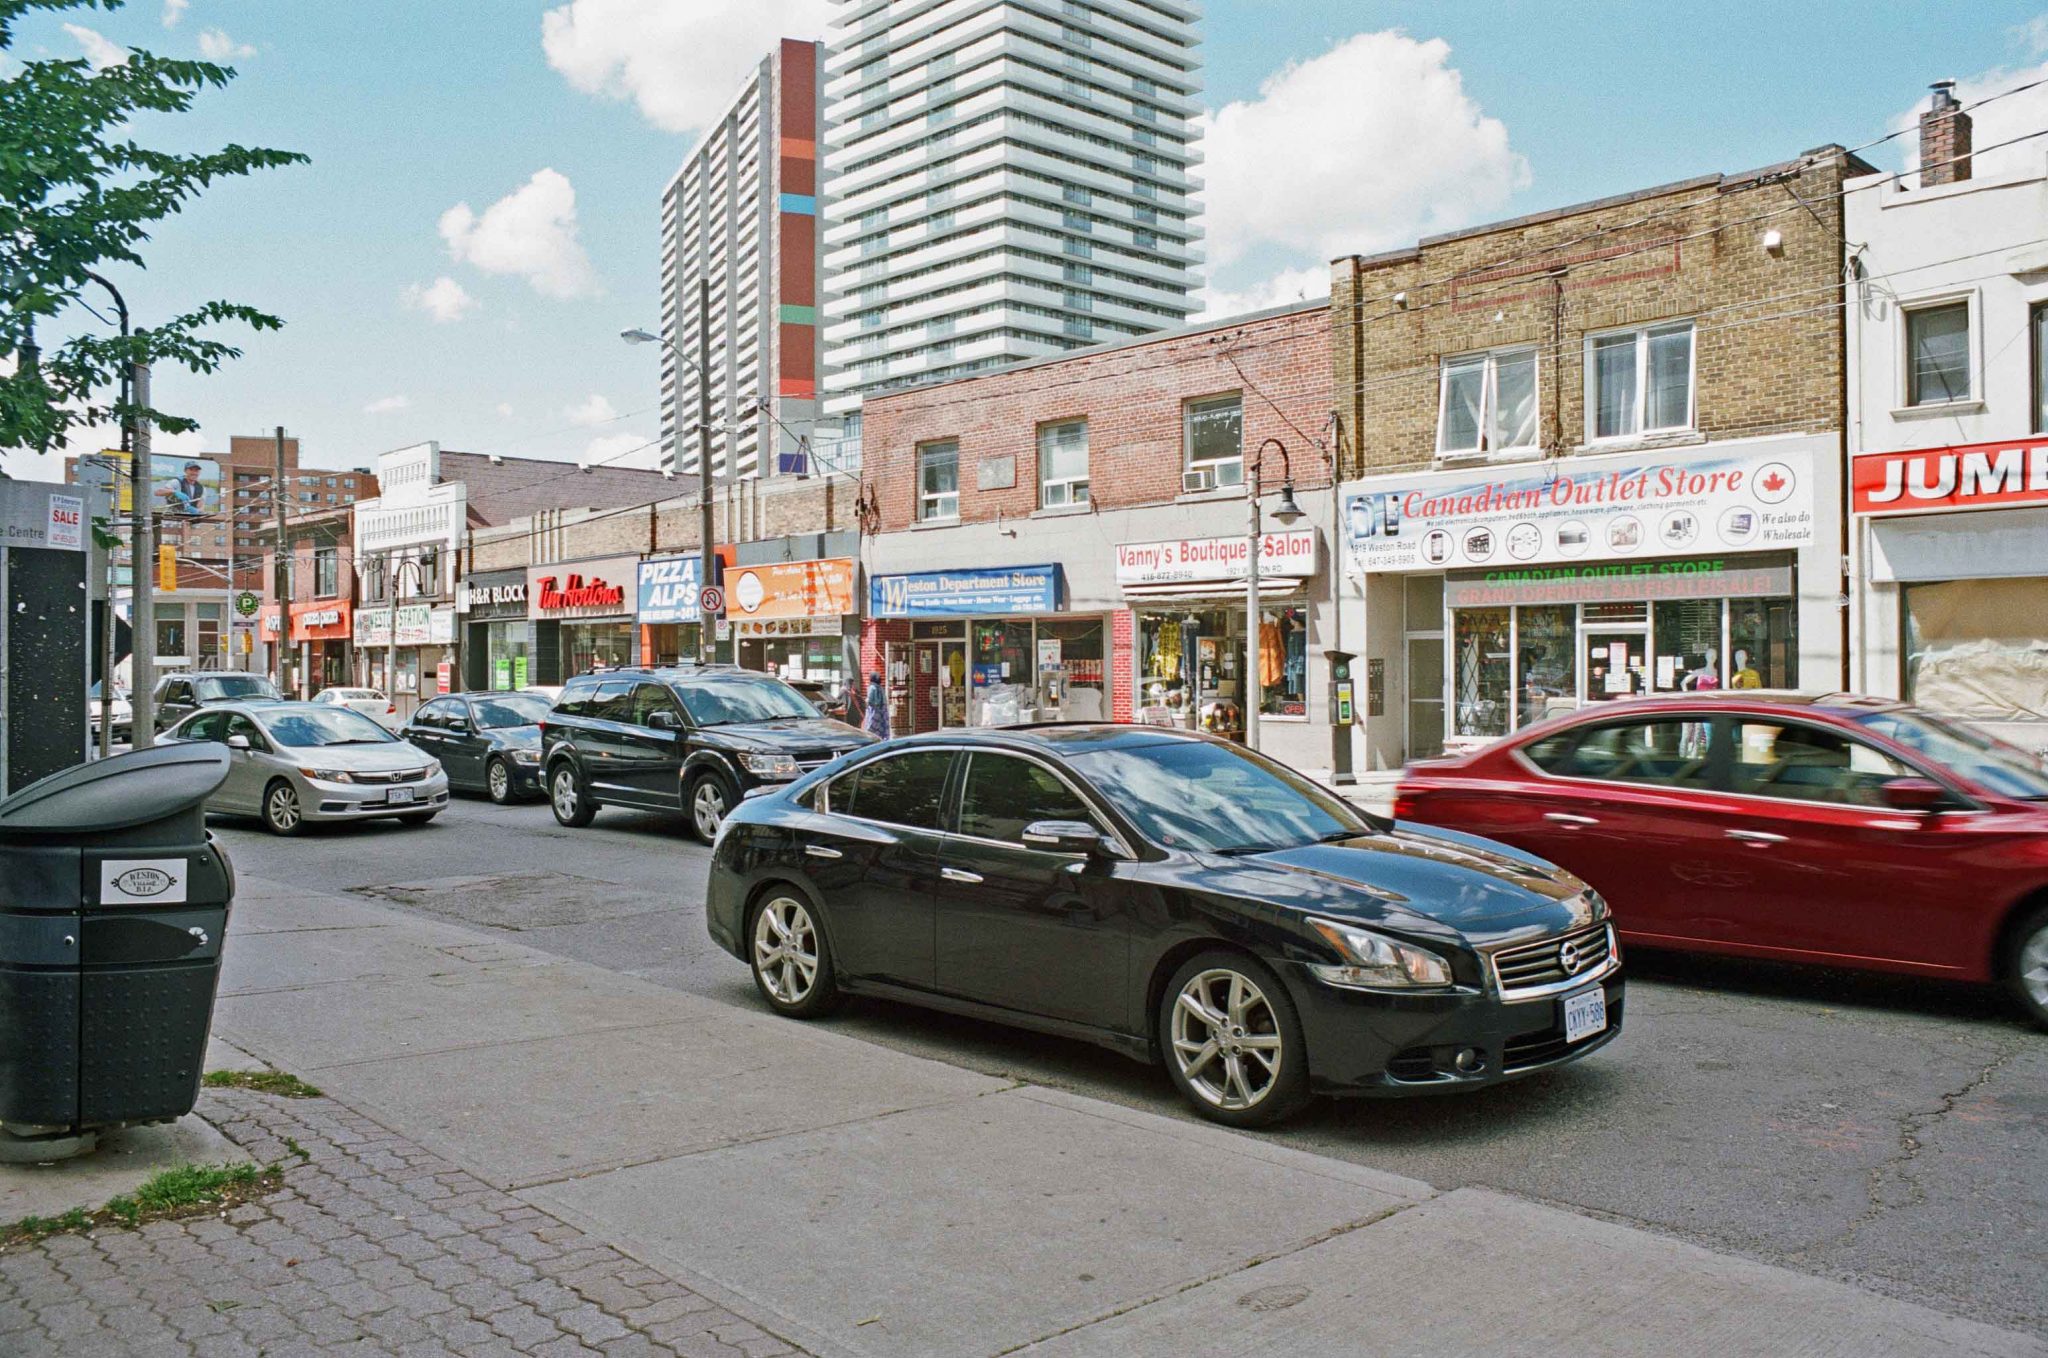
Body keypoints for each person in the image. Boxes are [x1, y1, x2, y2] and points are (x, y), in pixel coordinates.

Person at [862, 671, 890, 739]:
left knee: (871, 726)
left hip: (874, 709)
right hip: (883, 709)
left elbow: (870, 700)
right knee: (882, 726)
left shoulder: (871, 687)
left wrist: (866, 701)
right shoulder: (881, 688)